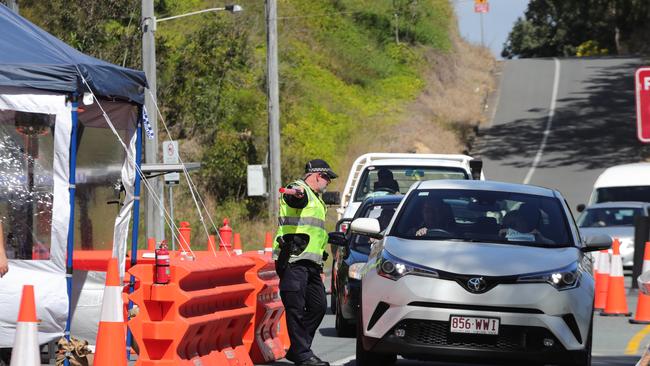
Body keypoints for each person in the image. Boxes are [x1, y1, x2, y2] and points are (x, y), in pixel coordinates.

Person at [273, 159, 340, 366]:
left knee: (319, 306)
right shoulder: (298, 189)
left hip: (310, 263)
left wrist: (329, 241)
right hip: (293, 259)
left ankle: (297, 349)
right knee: (295, 307)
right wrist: (297, 195)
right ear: (317, 175)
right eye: (327, 178)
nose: (328, 182)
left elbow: (312, 231)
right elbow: (294, 197)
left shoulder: (317, 199)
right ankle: (303, 355)